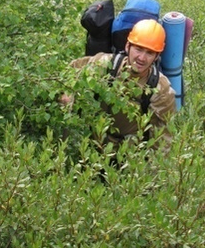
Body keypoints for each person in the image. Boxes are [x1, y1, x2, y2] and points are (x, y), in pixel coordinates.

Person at [60, 19, 176, 152]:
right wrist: (66, 95)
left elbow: (162, 141)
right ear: (128, 46)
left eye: (149, 53)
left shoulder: (160, 90)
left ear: (156, 56)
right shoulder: (104, 64)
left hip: (128, 156)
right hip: (91, 146)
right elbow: (68, 72)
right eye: (138, 49)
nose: (142, 58)